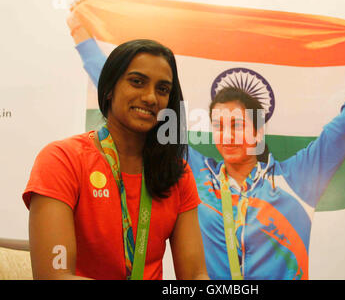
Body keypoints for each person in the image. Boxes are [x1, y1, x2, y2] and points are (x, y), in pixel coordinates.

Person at [67, 5, 345, 279]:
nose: (227, 135)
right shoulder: (195, 174)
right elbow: (129, 98)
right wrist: (82, 35)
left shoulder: (297, 178)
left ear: (259, 132)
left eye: (237, 124)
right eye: (218, 126)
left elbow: (344, 128)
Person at [23, 38, 209, 280]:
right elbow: (53, 276)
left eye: (162, 89)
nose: (151, 98)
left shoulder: (176, 172)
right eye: (137, 82)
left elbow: (195, 276)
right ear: (109, 88)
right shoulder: (62, 160)